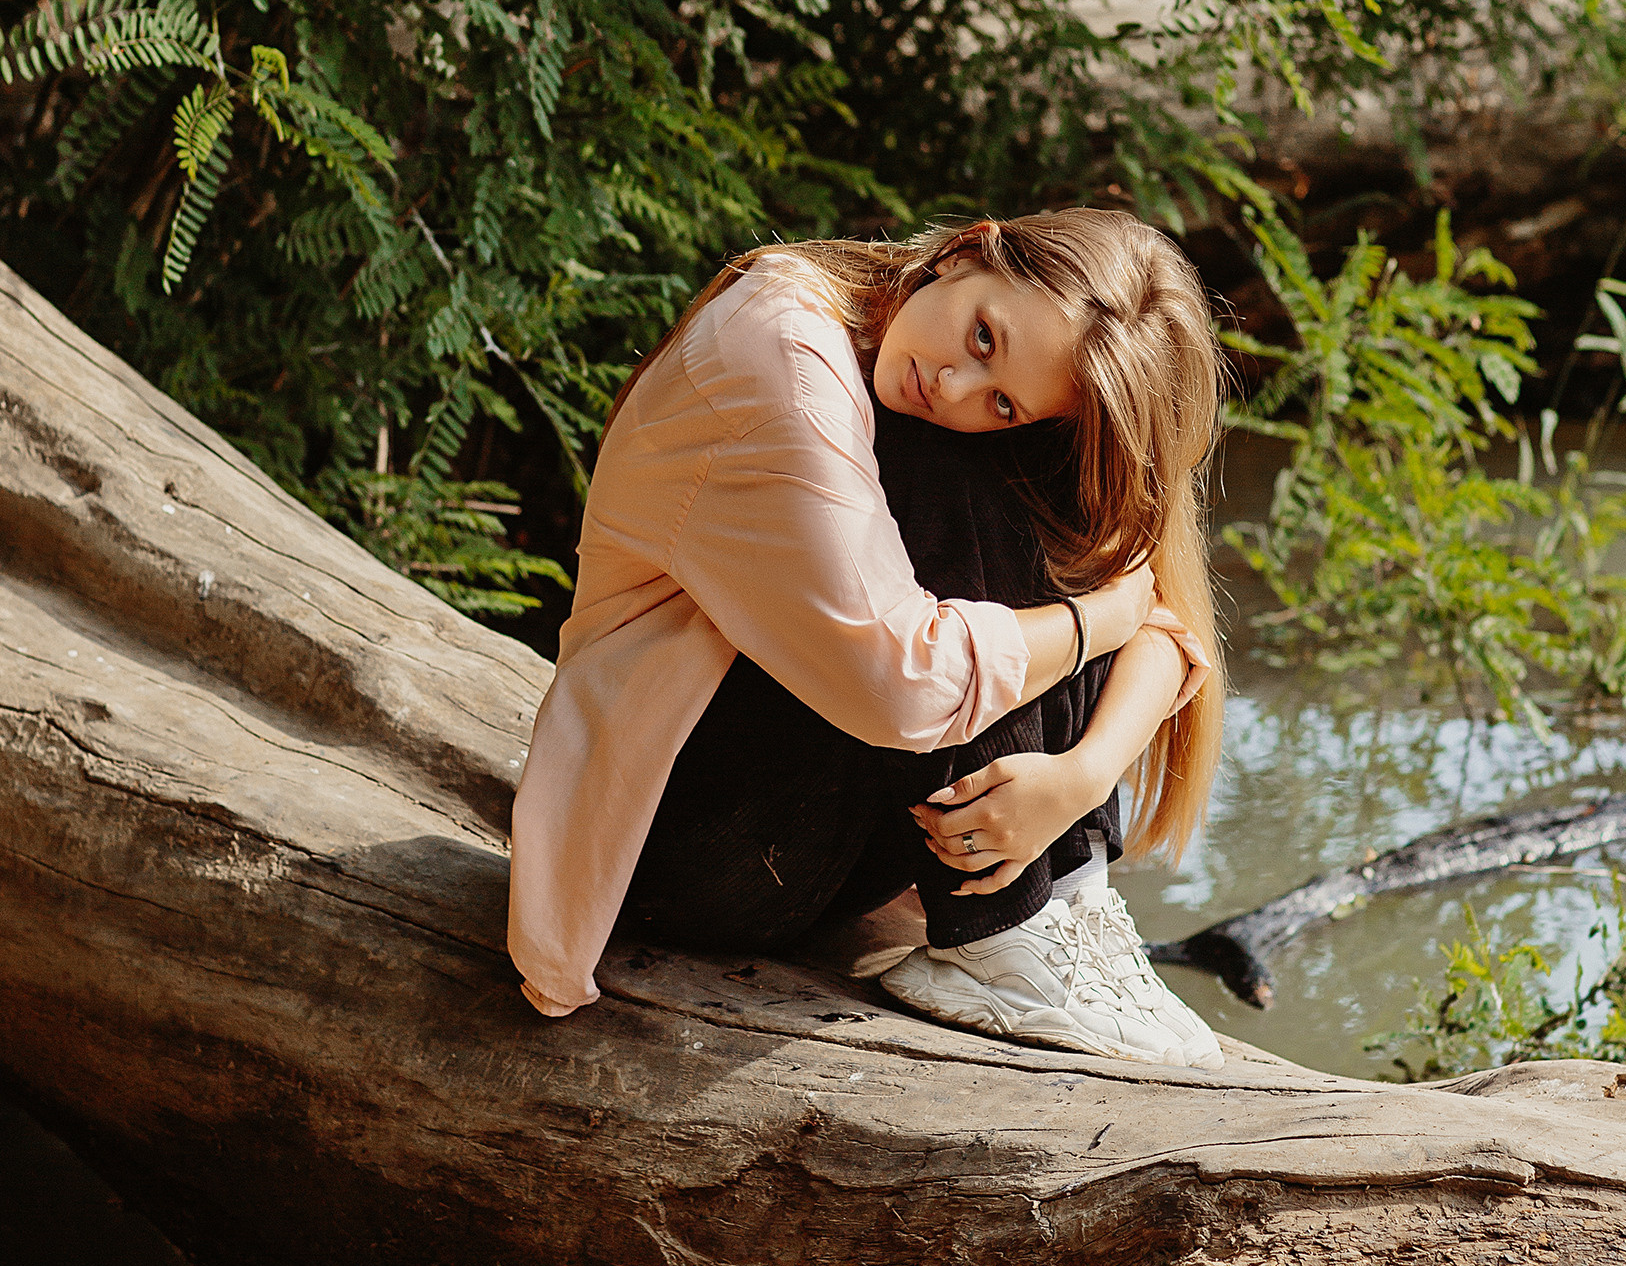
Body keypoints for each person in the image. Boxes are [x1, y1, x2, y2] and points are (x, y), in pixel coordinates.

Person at [508, 210, 1228, 1065]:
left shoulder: (954, 387)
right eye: (984, 336)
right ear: (968, 251)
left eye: (1003, 399)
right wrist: (1091, 622)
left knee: (1042, 478)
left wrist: (1079, 779)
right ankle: (1000, 932)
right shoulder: (783, 347)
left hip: (839, 858)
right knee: (944, 462)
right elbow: (907, 680)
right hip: (679, 845)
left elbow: (1163, 628)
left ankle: (1066, 906)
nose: (957, 385)